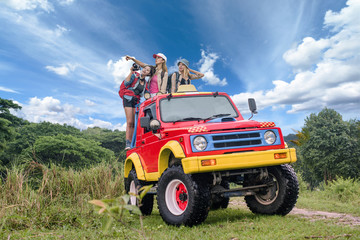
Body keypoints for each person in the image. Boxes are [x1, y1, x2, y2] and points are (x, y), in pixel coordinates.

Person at [119, 64, 154, 150]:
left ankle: (132, 143)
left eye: (148, 70)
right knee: (130, 122)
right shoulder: (135, 75)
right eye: (145, 68)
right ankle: (127, 142)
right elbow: (126, 83)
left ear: (149, 74)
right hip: (128, 98)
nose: (145, 70)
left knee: (135, 123)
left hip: (136, 101)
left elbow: (146, 93)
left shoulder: (145, 83)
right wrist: (131, 71)